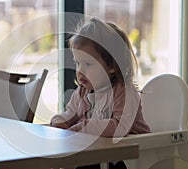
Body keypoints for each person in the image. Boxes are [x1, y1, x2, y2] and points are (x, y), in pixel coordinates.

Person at [50, 17, 151, 169]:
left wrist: (81, 128)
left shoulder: (125, 91)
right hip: (101, 154)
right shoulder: (83, 92)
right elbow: (71, 113)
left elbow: (119, 127)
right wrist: (60, 122)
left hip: (129, 157)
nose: (80, 71)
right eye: (77, 63)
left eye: (88, 64)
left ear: (111, 65)